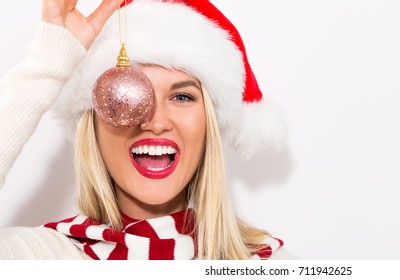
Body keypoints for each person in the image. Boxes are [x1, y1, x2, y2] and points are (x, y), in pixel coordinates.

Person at [0, 0, 291, 260]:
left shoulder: (269, 265)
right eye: (126, 96)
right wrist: (49, 61)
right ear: (94, 122)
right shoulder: (38, 257)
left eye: (182, 97)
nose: (156, 121)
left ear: (208, 126)